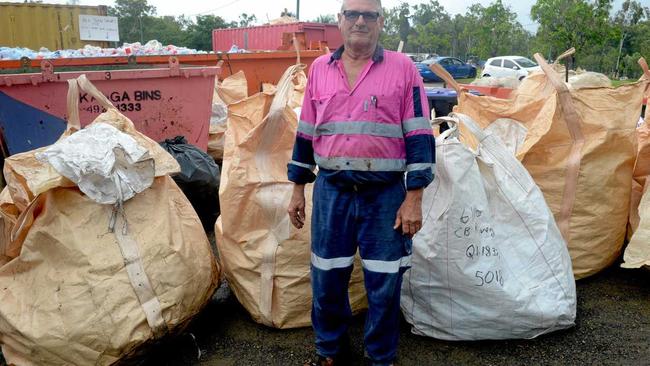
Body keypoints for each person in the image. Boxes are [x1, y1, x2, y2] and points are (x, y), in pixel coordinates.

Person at [286, 0, 434, 365]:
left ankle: (381, 357)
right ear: (340, 21)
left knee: (384, 283)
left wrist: (413, 196)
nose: (360, 21)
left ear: (381, 22)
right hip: (331, 191)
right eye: (352, 14)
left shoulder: (403, 69)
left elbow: (418, 133)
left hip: (384, 195)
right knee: (327, 278)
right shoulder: (320, 69)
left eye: (369, 14)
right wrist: (297, 187)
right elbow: (306, 131)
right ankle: (330, 351)